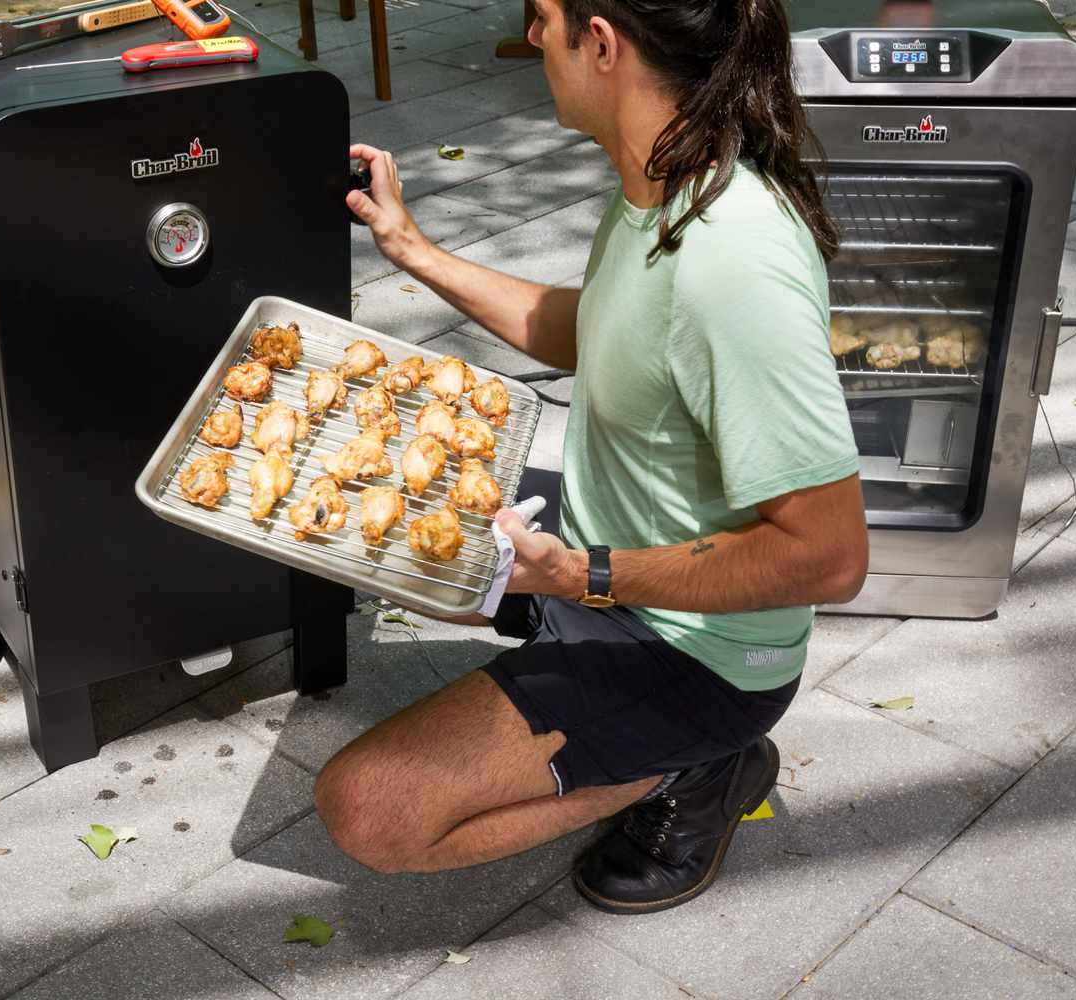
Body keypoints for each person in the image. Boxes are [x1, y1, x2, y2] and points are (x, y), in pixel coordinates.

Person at [314, 0, 869, 913]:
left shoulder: (732, 266)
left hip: (695, 649)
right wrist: (408, 248)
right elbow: (598, 329)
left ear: (601, 43)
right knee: (375, 502)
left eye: (543, 18)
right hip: (605, 546)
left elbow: (829, 554)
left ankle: (693, 769)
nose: (532, 40)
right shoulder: (666, 176)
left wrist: (582, 576)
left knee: (369, 809)